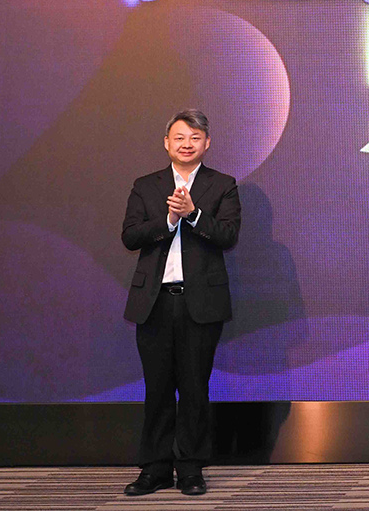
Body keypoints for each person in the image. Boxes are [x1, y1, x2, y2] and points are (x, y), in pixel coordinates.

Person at [119, 109, 241, 497]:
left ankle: (190, 468)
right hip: (154, 302)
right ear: (166, 143)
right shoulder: (146, 185)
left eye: (195, 137)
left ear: (207, 143)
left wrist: (193, 215)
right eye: (179, 137)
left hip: (199, 302)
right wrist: (169, 221)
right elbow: (130, 236)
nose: (187, 144)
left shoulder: (222, 185)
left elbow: (228, 235)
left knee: (193, 388)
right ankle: (154, 468)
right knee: (157, 388)